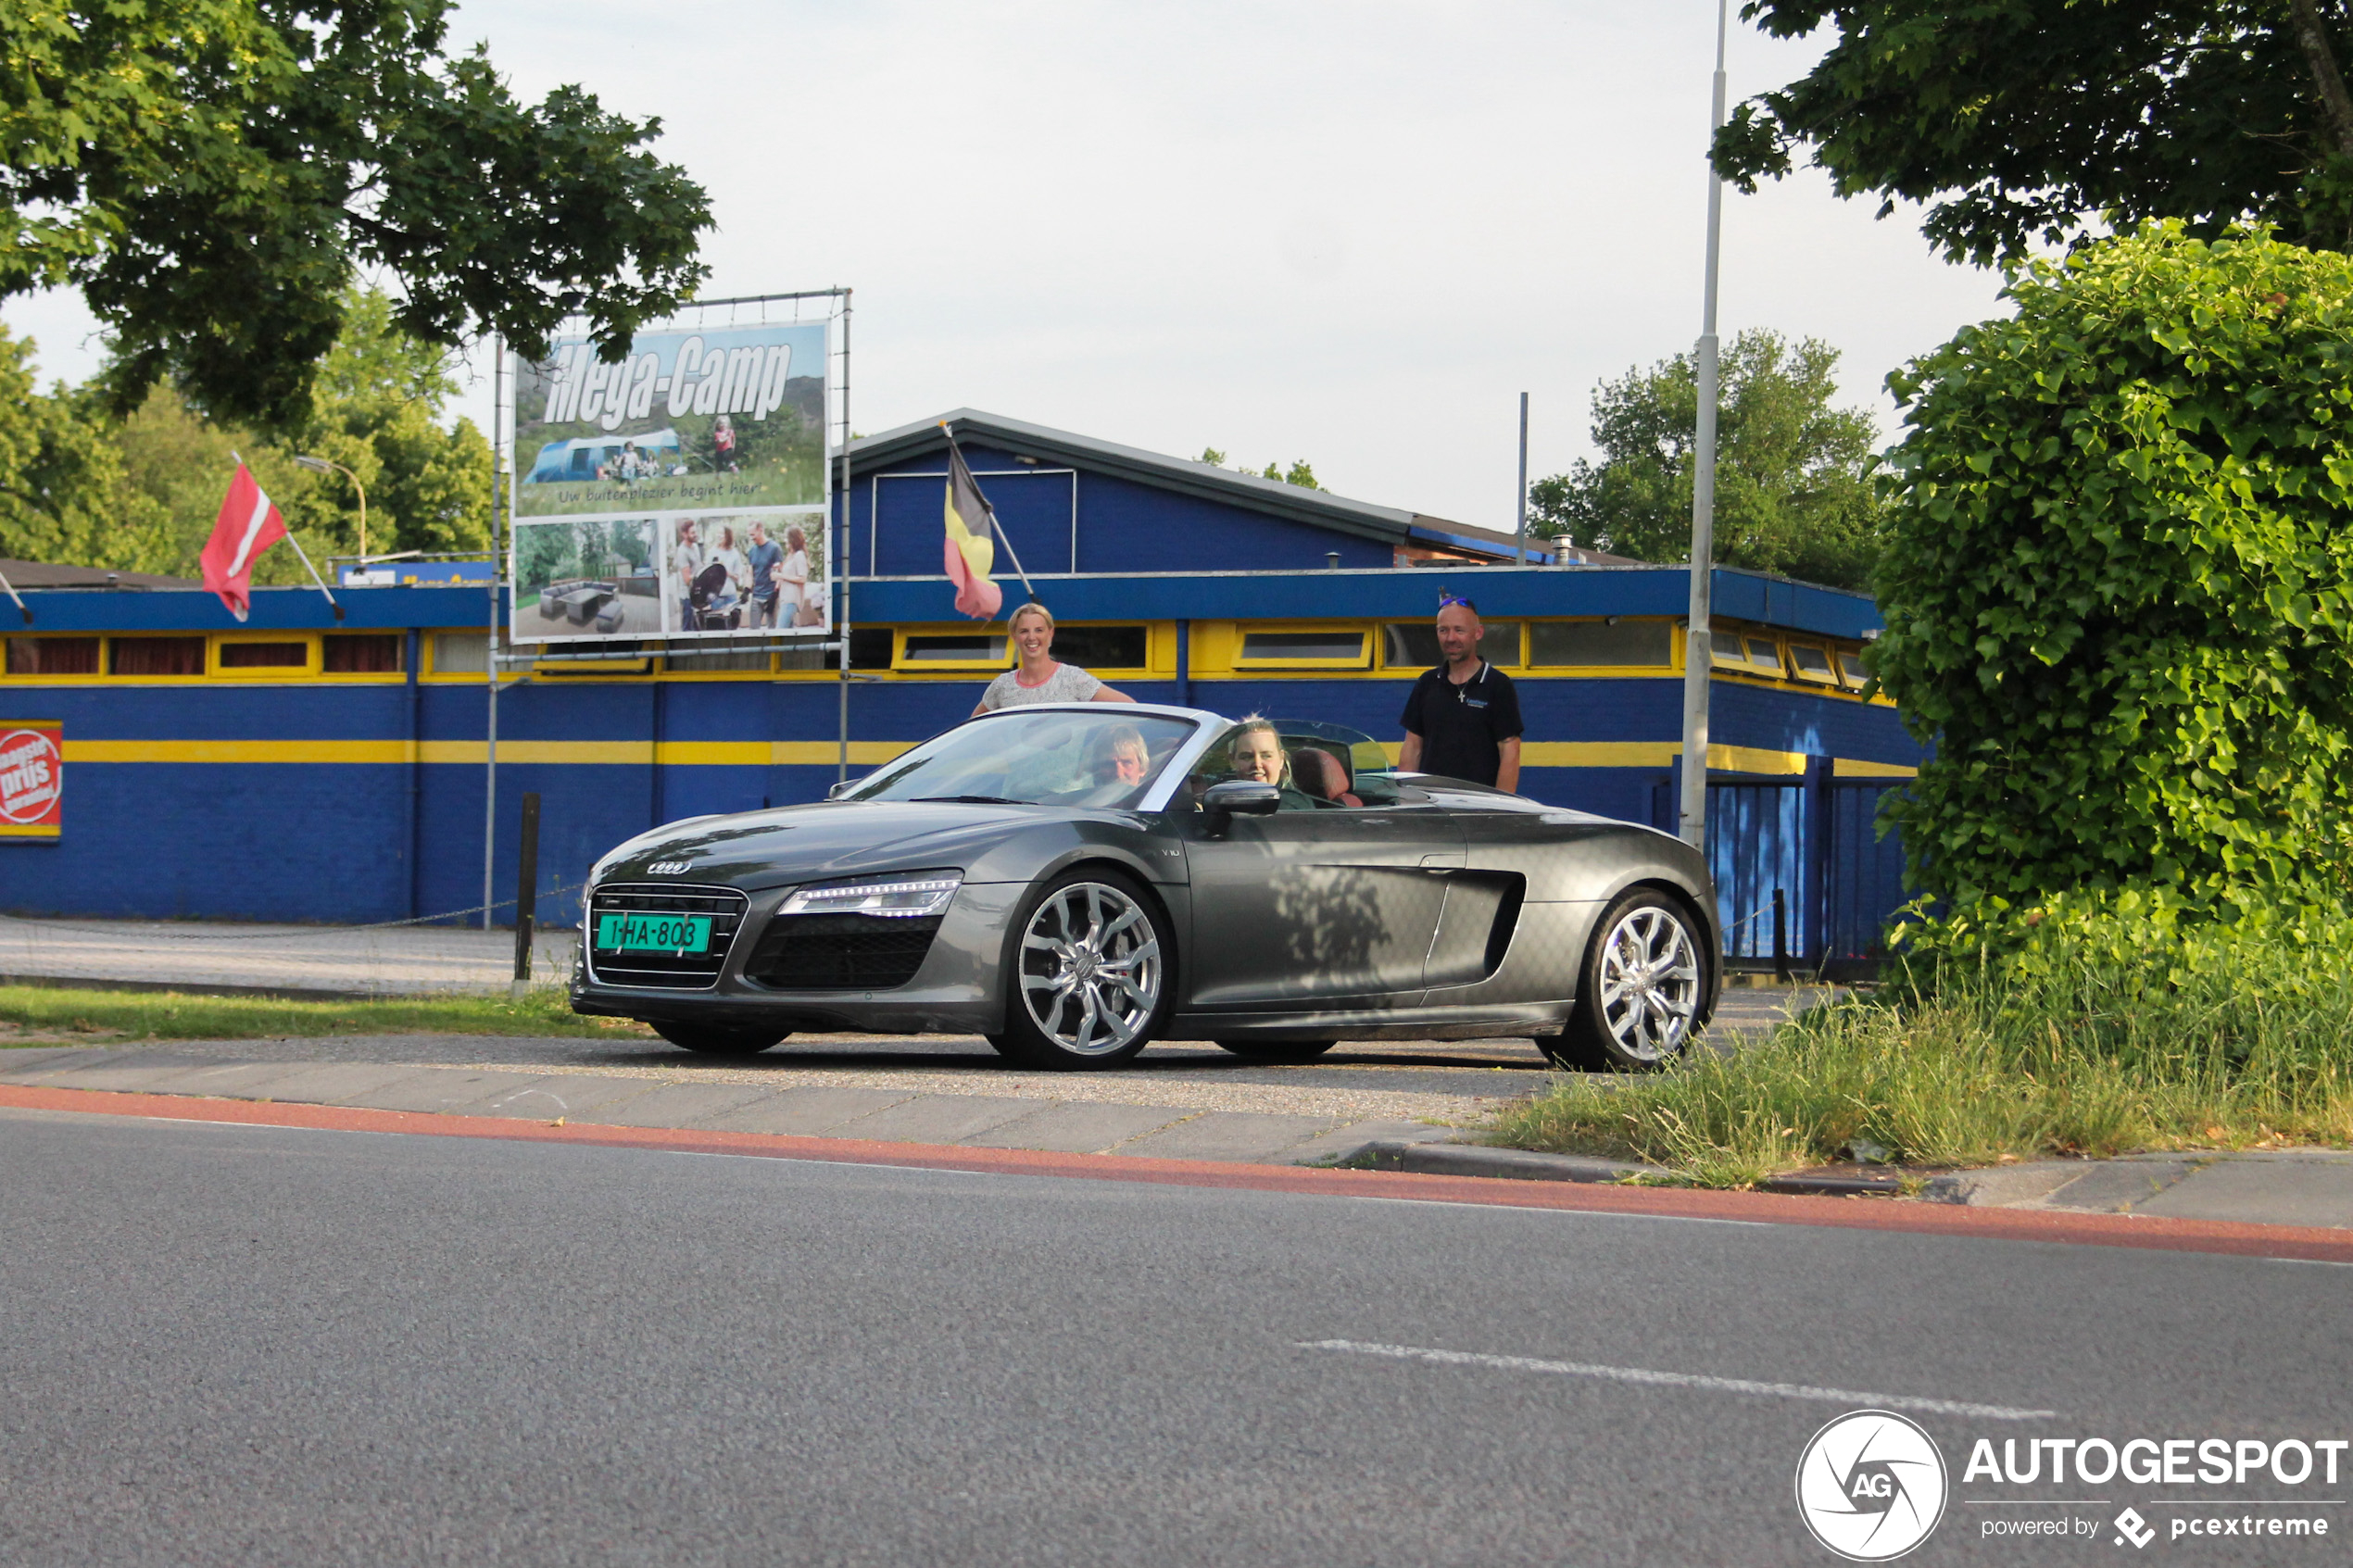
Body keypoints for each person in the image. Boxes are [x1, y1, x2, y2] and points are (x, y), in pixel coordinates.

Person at [1399, 593, 1523, 791]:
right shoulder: (1427, 683)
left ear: (1478, 633)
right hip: (1433, 807)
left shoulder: (1498, 685)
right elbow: (1412, 747)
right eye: (1443, 630)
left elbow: (1510, 752)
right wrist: (1404, 800)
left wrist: (1501, 809)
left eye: (1459, 630)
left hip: (1477, 810)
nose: (1451, 638)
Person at [973, 602, 1137, 714]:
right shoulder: (1002, 686)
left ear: (1050, 634)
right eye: (1024, 631)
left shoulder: (1072, 679)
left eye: (1039, 630)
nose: (1032, 637)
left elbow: (1130, 707)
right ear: (1014, 636)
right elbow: (973, 728)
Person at [1223, 717, 1319, 810]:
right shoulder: (1221, 797)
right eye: (1247, 757)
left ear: (1281, 759)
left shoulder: (1291, 806)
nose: (1257, 764)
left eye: (1266, 756)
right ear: (1232, 761)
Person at [745, 521, 785, 630]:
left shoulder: (774, 548)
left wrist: (775, 594)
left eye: (753, 534)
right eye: (749, 535)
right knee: (753, 630)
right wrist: (746, 590)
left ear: (761, 530)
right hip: (757, 595)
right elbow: (750, 572)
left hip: (771, 595)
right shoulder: (752, 551)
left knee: (773, 628)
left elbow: (779, 572)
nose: (751, 538)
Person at [671, 519, 708, 632]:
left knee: (698, 627)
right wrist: (701, 576)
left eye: (695, 532)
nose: (695, 535)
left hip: (697, 593)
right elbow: (687, 579)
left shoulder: (695, 547)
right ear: (684, 534)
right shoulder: (682, 552)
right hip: (687, 596)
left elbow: (699, 566)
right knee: (687, 627)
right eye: (692, 533)